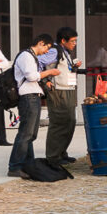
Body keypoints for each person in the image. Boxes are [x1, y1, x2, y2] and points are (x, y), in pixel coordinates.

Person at [7, 34, 59, 179]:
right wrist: (49, 72)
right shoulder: (26, 56)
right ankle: (15, 166)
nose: (46, 52)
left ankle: (27, 164)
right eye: (47, 48)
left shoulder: (31, 56)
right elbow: (31, 76)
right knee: (25, 134)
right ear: (40, 43)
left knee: (31, 134)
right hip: (27, 97)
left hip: (33, 96)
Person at [39, 26, 81, 166]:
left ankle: (62, 152)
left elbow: (64, 69)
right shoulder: (54, 51)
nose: (74, 43)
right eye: (73, 41)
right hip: (58, 91)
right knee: (58, 123)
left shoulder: (65, 52)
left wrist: (74, 67)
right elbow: (39, 63)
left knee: (69, 122)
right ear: (63, 40)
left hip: (68, 89)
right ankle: (53, 156)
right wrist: (45, 82)